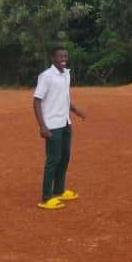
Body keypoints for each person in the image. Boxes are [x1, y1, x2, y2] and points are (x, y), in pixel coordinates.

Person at [33, 46, 86, 210]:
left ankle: (59, 190)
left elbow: (63, 97)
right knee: (53, 160)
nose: (64, 58)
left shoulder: (66, 74)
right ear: (52, 58)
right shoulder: (46, 76)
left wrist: (75, 110)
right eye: (60, 56)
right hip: (52, 125)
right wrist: (42, 126)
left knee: (64, 157)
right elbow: (36, 100)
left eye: (66, 55)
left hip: (65, 122)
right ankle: (46, 198)